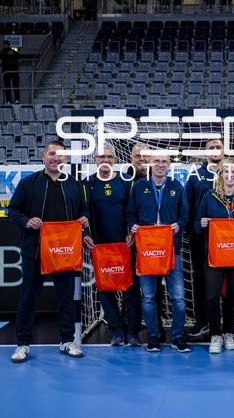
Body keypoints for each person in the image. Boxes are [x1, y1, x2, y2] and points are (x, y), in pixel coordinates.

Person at [7, 140, 89, 363]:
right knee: (28, 298)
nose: (56, 158)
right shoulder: (28, 183)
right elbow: (13, 211)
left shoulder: (73, 184)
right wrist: (26, 221)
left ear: (65, 159)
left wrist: (84, 219)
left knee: (66, 298)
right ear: (44, 156)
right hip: (35, 251)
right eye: (52, 154)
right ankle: (22, 344)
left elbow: (83, 209)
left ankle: (67, 341)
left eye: (60, 155)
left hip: (64, 251)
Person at [127, 153, 191, 353]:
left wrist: (179, 225)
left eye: (164, 161)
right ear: (150, 164)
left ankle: (178, 337)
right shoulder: (139, 186)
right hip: (146, 249)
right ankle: (153, 337)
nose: (160, 165)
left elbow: (185, 215)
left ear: (169, 165)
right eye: (157, 161)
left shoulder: (176, 186)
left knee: (178, 297)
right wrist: (133, 225)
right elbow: (130, 214)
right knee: (148, 296)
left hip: (171, 249)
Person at [82, 145, 143, 347]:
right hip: (100, 247)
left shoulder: (126, 181)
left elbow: (133, 211)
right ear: (94, 160)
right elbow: (82, 213)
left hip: (126, 245)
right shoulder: (86, 184)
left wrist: (130, 233)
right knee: (105, 289)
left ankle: (132, 330)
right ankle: (116, 329)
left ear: (115, 160)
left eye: (109, 157)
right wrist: (86, 235)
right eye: (101, 157)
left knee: (131, 289)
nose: (105, 160)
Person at [195, 159, 234, 353]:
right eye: (226, 172)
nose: (230, 175)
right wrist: (201, 223)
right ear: (220, 175)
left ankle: (228, 332)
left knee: (233, 296)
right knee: (212, 296)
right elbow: (196, 224)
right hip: (215, 256)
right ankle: (215, 335)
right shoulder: (210, 196)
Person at [184, 138, 225, 340]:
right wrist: (193, 229)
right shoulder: (195, 175)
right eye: (211, 147)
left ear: (224, 150)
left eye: (218, 147)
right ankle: (201, 321)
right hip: (201, 239)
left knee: (226, 281)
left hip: (227, 239)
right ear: (205, 151)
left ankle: (227, 323)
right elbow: (187, 204)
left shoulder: (231, 172)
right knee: (200, 280)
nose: (215, 150)